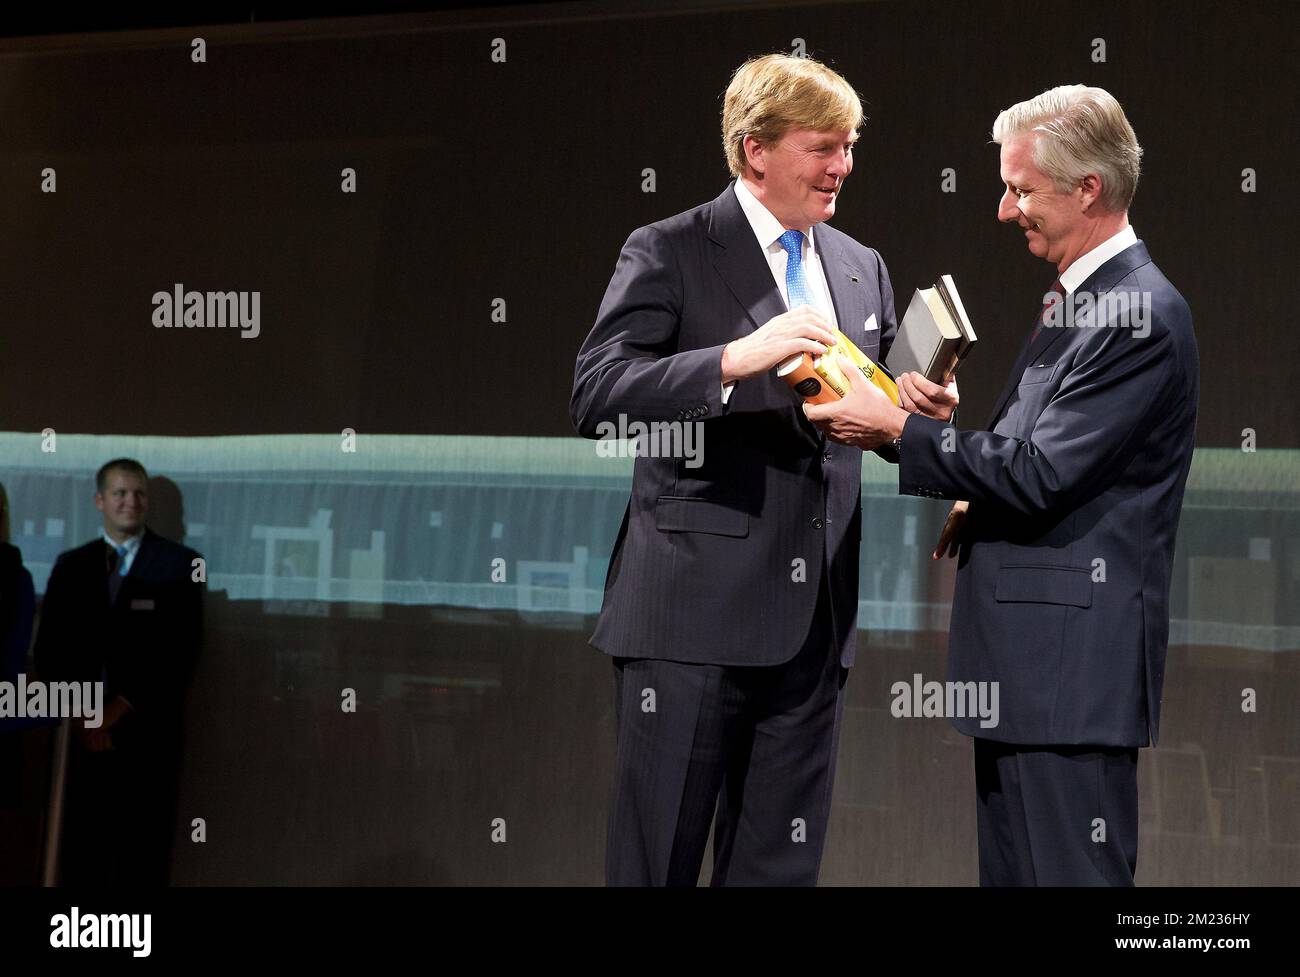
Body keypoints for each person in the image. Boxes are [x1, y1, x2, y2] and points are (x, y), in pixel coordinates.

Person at [571, 53, 950, 886]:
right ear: (754, 151)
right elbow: (598, 394)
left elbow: (857, 412)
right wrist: (736, 358)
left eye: (849, 146)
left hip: (812, 635)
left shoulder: (860, 264)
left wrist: (909, 411)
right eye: (824, 147)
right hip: (688, 628)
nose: (842, 166)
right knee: (655, 864)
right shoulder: (669, 249)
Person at [805, 85, 1199, 885]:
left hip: (1068, 683)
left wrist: (897, 430)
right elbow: (1042, 460)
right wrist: (944, 450)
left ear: (1088, 187)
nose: (1002, 209)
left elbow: (1042, 473)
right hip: (1033, 679)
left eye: (1021, 188)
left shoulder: (1137, 314)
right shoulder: (1083, 302)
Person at [34, 458, 204, 885]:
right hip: (78, 740)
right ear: (100, 500)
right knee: (78, 854)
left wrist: (119, 709)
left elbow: (181, 651)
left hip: (147, 738)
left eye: (139, 494)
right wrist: (83, 716)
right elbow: (51, 651)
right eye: (120, 493)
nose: (131, 502)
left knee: (141, 854)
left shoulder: (181, 564)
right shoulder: (71, 565)